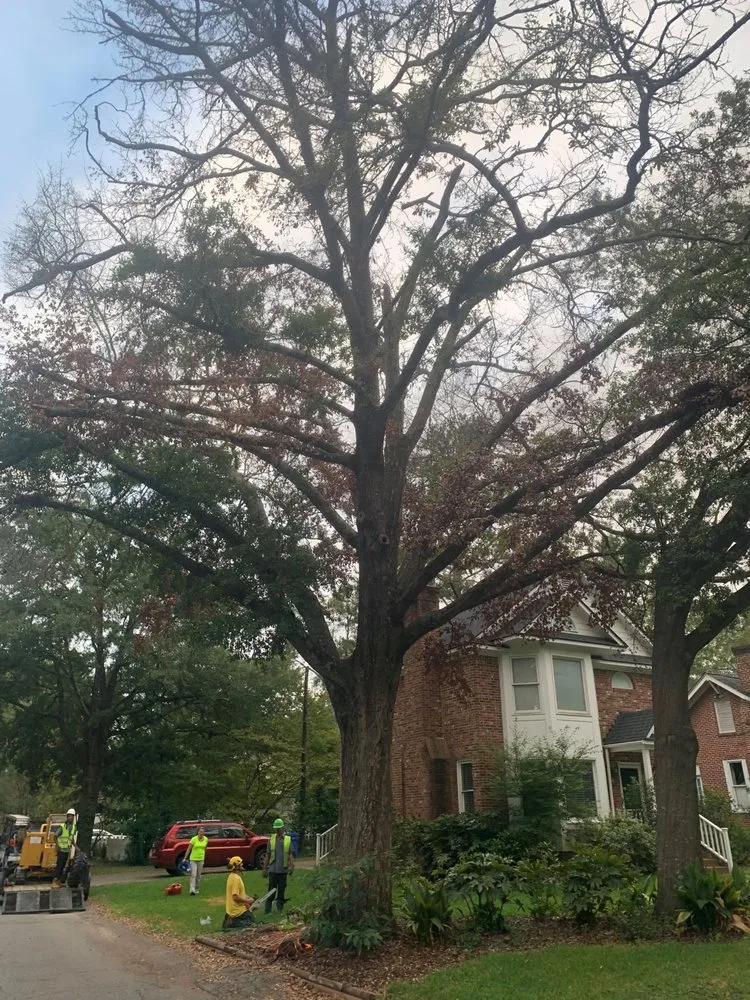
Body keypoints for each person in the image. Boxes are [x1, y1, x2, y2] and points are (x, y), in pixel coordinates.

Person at [263, 818, 293, 914]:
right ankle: (267, 910)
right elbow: (268, 854)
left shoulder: (287, 840)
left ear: (283, 828)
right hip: (273, 869)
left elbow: (289, 854)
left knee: (281, 891)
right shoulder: (271, 840)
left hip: (283, 870)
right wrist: (265, 867)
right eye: (276, 828)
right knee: (271, 890)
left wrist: (291, 866)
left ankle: (279, 909)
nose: (277, 830)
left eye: (279, 828)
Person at [222, 855, 256, 931]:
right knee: (252, 922)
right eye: (241, 863)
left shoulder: (232, 876)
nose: (242, 864)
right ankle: (232, 922)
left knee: (251, 918)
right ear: (237, 866)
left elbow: (240, 894)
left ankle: (230, 920)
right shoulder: (236, 879)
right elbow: (235, 897)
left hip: (233, 910)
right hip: (238, 911)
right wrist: (248, 901)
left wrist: (249, 899)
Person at [52, 809, 77, 888]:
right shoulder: (63, 826)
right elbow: (55, 836)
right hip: (61, 850)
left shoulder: (73, 827)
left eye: (72, 816)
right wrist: (57, 845)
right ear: (67, 817)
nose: (71, 818)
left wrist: (76, 847)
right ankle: (54, 881)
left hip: (67, 850)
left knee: (62, 866)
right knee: (59, 866)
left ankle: (59, 881)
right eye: (69, 816)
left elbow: (71, 838)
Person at [185, 825, 208, 895]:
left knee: (198, 876)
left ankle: (197, 888)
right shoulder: (193, 839)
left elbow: (205, 848)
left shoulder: (206, 839)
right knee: (193, 875)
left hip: (201, 859)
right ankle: (192, 890)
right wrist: (185, 858)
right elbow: (189, 849)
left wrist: (203, 855)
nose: (201, 833)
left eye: (203, 832)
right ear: (197, 832)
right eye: (200, 831)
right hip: (193, 859)